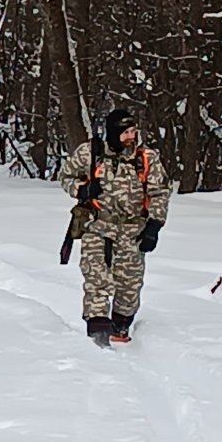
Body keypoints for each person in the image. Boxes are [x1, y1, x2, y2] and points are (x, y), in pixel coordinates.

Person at [59, 106, 171, 346]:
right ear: (112, 133)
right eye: (125, 132)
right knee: (96, 278)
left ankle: (120, 327)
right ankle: (97, 334)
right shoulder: (90, 153)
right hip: (98, 226)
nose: (131, 136)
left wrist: (154, 225)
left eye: (133, 131)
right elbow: (65, 176)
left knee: (129, 285)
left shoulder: (146, 158)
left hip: (133, 231)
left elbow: (160, 192)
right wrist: (82, 190)